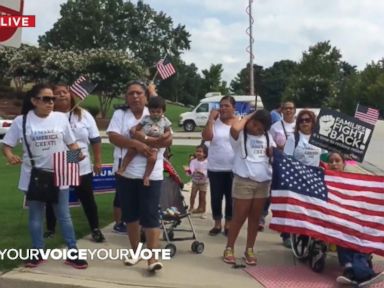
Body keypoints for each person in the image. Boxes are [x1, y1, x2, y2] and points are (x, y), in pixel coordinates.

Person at [2, 83, 88, 269]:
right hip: (34, 176)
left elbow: (71, 145)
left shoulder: (60, 118)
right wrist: (11, 156)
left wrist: (77, 155)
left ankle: (73, 252)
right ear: (34, 101)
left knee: (64, 216)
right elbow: (7, 145)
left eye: (53, 99)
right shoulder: (22, 121)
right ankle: (37, 251)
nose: (51, 102)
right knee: (35, 216)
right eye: (46, 99)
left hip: (59, 174)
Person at [107, 80, 172, 272]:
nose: (135, 96)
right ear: (126, 97)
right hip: (125, 173)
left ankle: (152, 258)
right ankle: (135, 252)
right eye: (130, 93)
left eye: (138, 93)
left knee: (150, 215)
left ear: (145, 96)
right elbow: (112, 136)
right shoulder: (120, 114)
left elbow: (168, 137)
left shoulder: (154, 112)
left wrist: (149, 141)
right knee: (131, 216)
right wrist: (136, 144)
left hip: (151, 174)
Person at [43, 84, 105, 243]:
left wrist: (98, 161)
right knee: (52, 199)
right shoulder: (48, 117)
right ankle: (50, 228)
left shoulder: (84, 115)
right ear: (52, 98)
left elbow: (95, 139)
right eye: (58, 93)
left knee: (87, 199)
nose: (62, 95)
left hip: (81, 165)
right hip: (55, 163)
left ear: (71, 95)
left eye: (65, 92)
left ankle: (95, 229)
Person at [223, 110, 275, 265]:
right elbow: (234, 128)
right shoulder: (240, 136)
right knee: (239, 217)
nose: (256, 129)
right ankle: (229, 248)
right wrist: (248, 116)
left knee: (255, 218)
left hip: (263, 182)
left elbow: (272, 154)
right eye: (254, 124)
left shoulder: (268, 137)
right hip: (244, 180)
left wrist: (272, 152)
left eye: (260, 128)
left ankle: (249, 249)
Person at [328, 152, 384, 287]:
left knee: (363, 234)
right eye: (331, 161)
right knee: (343, 233)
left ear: (343, 163)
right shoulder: (325, 178)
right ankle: (365, 273)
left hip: (352, 218)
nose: (334, 164)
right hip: (336, 221)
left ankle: (350, 271)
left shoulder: (353, 179)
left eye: (337, 161)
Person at [202, 96, 238, 236]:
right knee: (216, 197)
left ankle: (228, 224)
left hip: (233, 168)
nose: (223, 108)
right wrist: (211, 119)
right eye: (221, 105)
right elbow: (206, 137)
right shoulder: (215, 122)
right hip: (215, 167)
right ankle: (217, 223)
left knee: (231, 198)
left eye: (226, 106)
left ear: (233, 108)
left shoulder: (238, 122)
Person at [117, 96, 171, 186]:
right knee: (131, 150)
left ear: (163, 111)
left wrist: (164, 136)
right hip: (142, 142)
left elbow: (168, 131)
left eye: (158, 112)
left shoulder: (165, 121)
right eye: (153, 112)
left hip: (154, 145)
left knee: (153, 158)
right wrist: (134, 130)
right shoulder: (146, 118)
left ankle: (146, 176)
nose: (155, 114)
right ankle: (123, 168)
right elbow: (138, 128)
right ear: (149, 111)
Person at [265, 100, 296, 246]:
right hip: (282, 168)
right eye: (286, 108)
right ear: (281, 111)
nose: (288, 111)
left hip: (299, 168)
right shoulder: (275, 127)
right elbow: (269, 146)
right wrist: (278, 149)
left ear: (295, 110)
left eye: (291, 108)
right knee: (285, 201)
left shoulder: (301, 126)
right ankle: (286, 234)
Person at [188, 144, 208, 215]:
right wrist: (189, 171)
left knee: (202, 196)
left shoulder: (207, 162)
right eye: (197, 151)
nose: (198, 153)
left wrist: (202, 172)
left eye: (200, 151)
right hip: (195, 182)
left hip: (204, 182)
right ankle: (191, 207)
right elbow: (191, 170)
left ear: (205, 153)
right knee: (193, 195)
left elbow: (207, 172)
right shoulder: (193, 161)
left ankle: (203, 210)